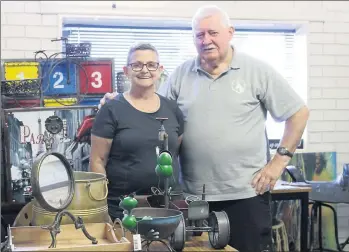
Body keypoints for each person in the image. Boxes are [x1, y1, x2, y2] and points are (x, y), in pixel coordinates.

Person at [98, 5, 309, 252]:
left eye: (212, 33)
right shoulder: (181, 74)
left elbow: (298, 113)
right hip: (192, 197)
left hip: (245, 194)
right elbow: (151, 108)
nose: (206, 40)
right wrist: (117, 103)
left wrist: (278, 163)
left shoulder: (257, 70)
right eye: (199, 35)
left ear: (230, 33)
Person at [90, 43, 184, 222]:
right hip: (124, 208)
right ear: (126, 71)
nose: (144, 70)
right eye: (137, 65)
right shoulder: (111, 110)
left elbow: (174, 150)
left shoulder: (172, 109)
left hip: (168, 206)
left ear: (160, 69)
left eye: (151, 64)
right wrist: (101, 207)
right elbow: (97, 161)